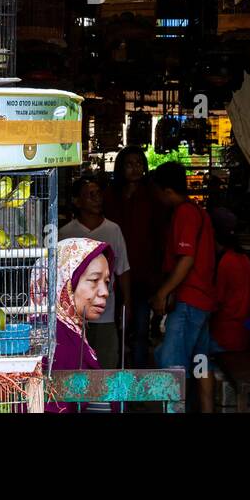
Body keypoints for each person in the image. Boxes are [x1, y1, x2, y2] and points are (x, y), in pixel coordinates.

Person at [150, 161, 217, 402]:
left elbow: (186, 259)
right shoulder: (199, 212)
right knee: (201, 364)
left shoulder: (185, 213)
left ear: (166, 190)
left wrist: (162, 293)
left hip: (188, 301)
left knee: (172, 366)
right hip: (202, 302)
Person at [58, 175, 130, 369]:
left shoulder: (113, 230)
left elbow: (123, 271)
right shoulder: (66, 233)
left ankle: (105, 401)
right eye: (90, 195)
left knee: (106, 366)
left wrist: (127, 305)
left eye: (99, 194)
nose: (97, 198)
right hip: (74, 316)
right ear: (77, 201)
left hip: (106, 315)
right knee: (75, 367)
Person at [104, 145, 165, 367]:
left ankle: (137, 383)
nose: (135, 168)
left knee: (140, 330)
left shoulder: (153, 196)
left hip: (143, 274)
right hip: (112, 274)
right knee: (113, 328)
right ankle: (114, 376)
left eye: (139, 163)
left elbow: (160, 235)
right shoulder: (111, 195)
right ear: (121, 167)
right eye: (130, 164)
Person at [44, 237, 120, 413]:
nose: (104, 292)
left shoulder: (68, 331)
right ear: (64, 281)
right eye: (94, 280)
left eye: (106, 282)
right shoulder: (54, 340)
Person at [199, 207, 250, 412]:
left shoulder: (226, 262)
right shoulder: (244, 259)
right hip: (244, 333)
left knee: (199, 359)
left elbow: (217, 301)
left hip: (226, 336)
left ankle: (206, 409)